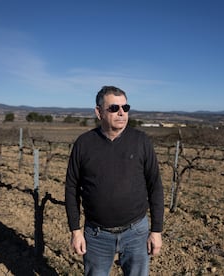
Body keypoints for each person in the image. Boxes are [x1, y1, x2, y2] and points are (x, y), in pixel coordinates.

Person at [65, 85, 164, 275]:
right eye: (114, 108)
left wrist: (156, 230)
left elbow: (155, 186)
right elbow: (71, 188)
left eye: (125, 108)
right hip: (96, 235)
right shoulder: (84, 144)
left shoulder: (141, 141)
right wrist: (75, 231)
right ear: (99, 112)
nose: (121, 113)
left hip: (136, 233)